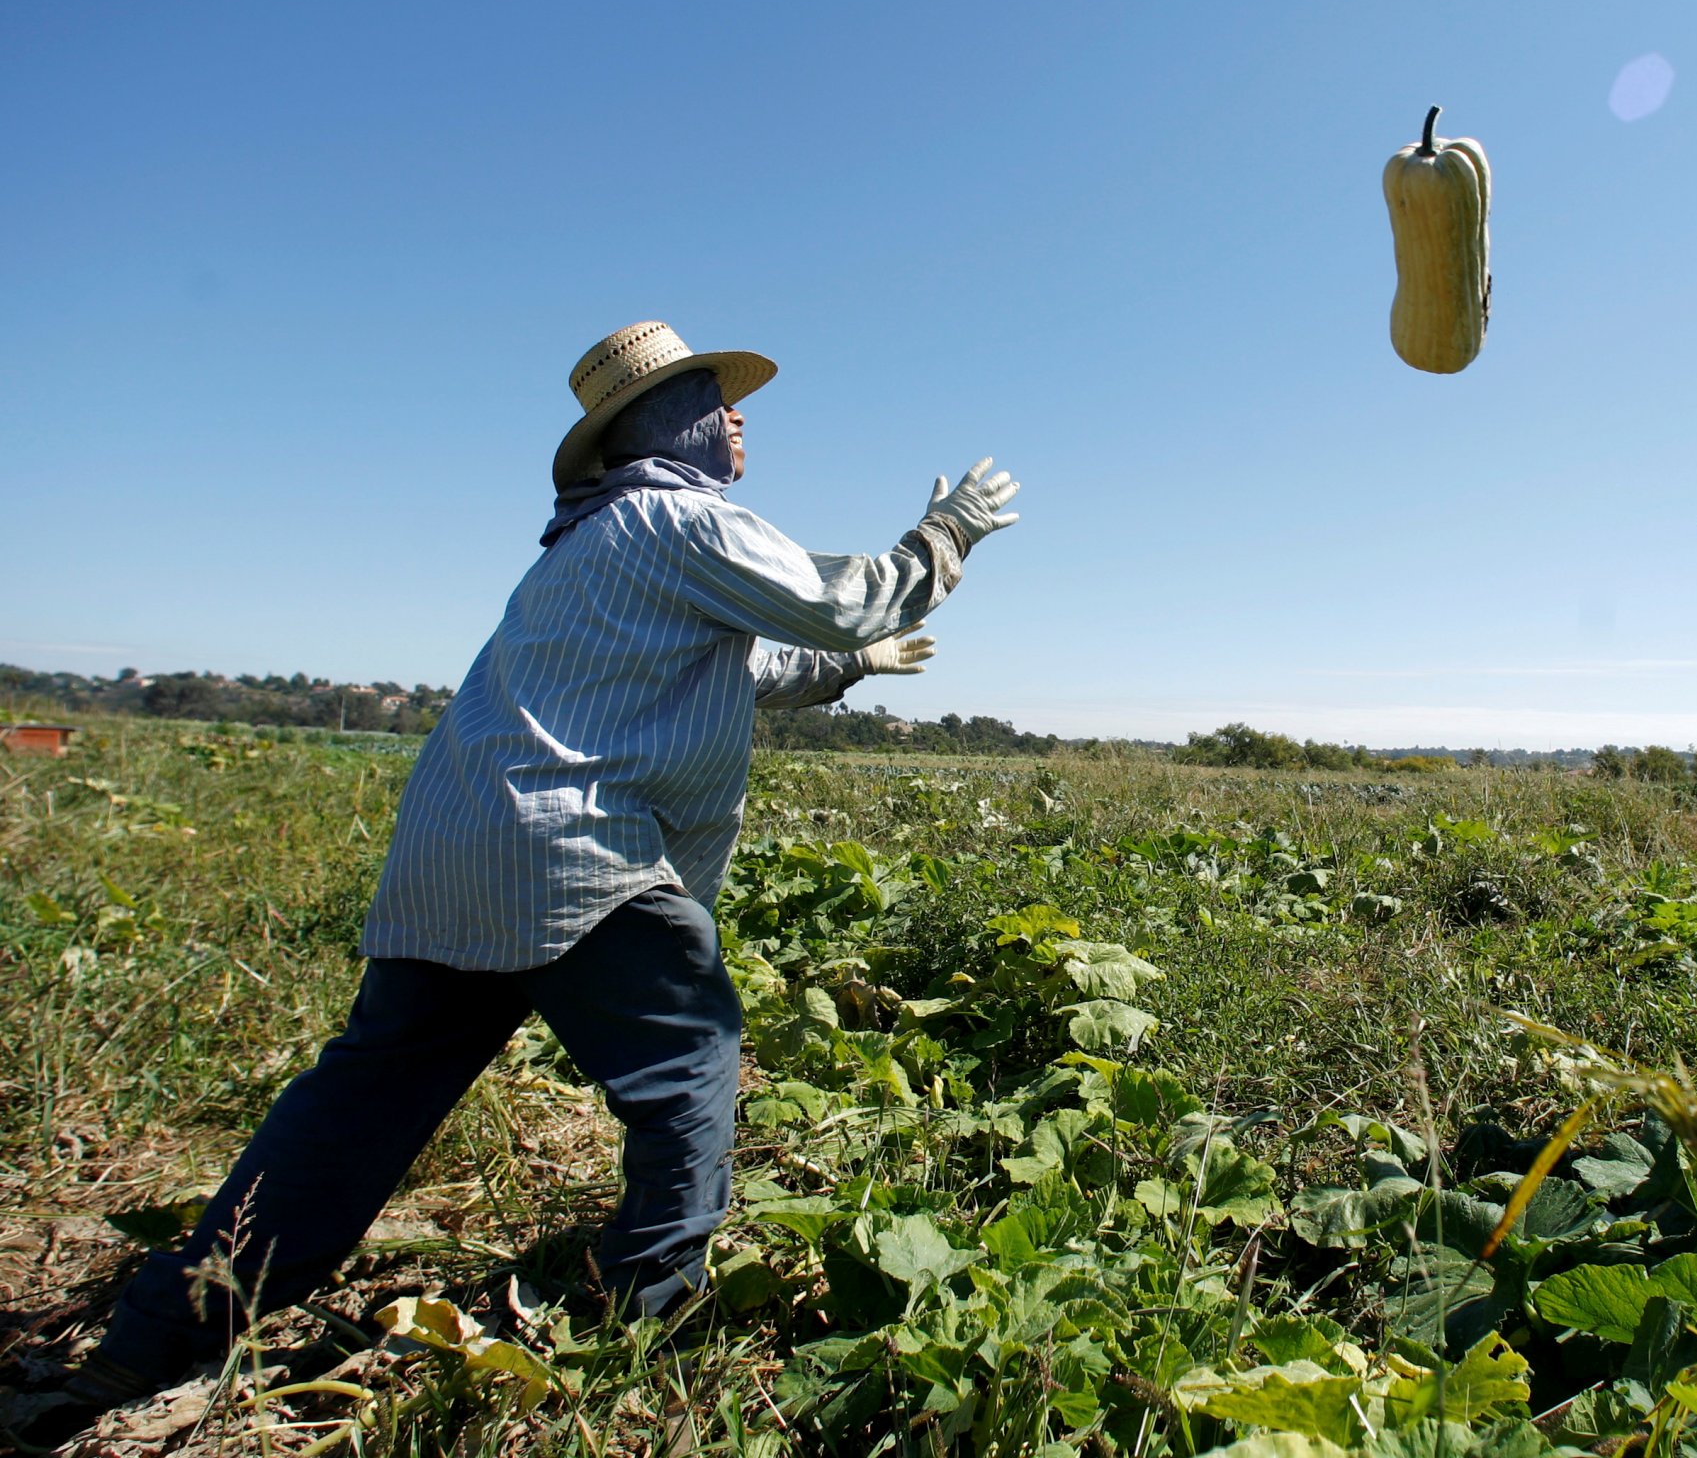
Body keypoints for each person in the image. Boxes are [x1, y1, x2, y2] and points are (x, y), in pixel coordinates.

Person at [27, 321, 1024, 1440]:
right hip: (576, 851)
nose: (737, 414)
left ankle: (159, 1336)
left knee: (360, 1103)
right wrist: (946, 539)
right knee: (690, 1058)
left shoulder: (596, 537)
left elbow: (763, 661)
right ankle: (652, 1312)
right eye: (710, 396)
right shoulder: (679, 514)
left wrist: (855, 663)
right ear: (658, 426)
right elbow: (836, 602)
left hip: (458, 851)